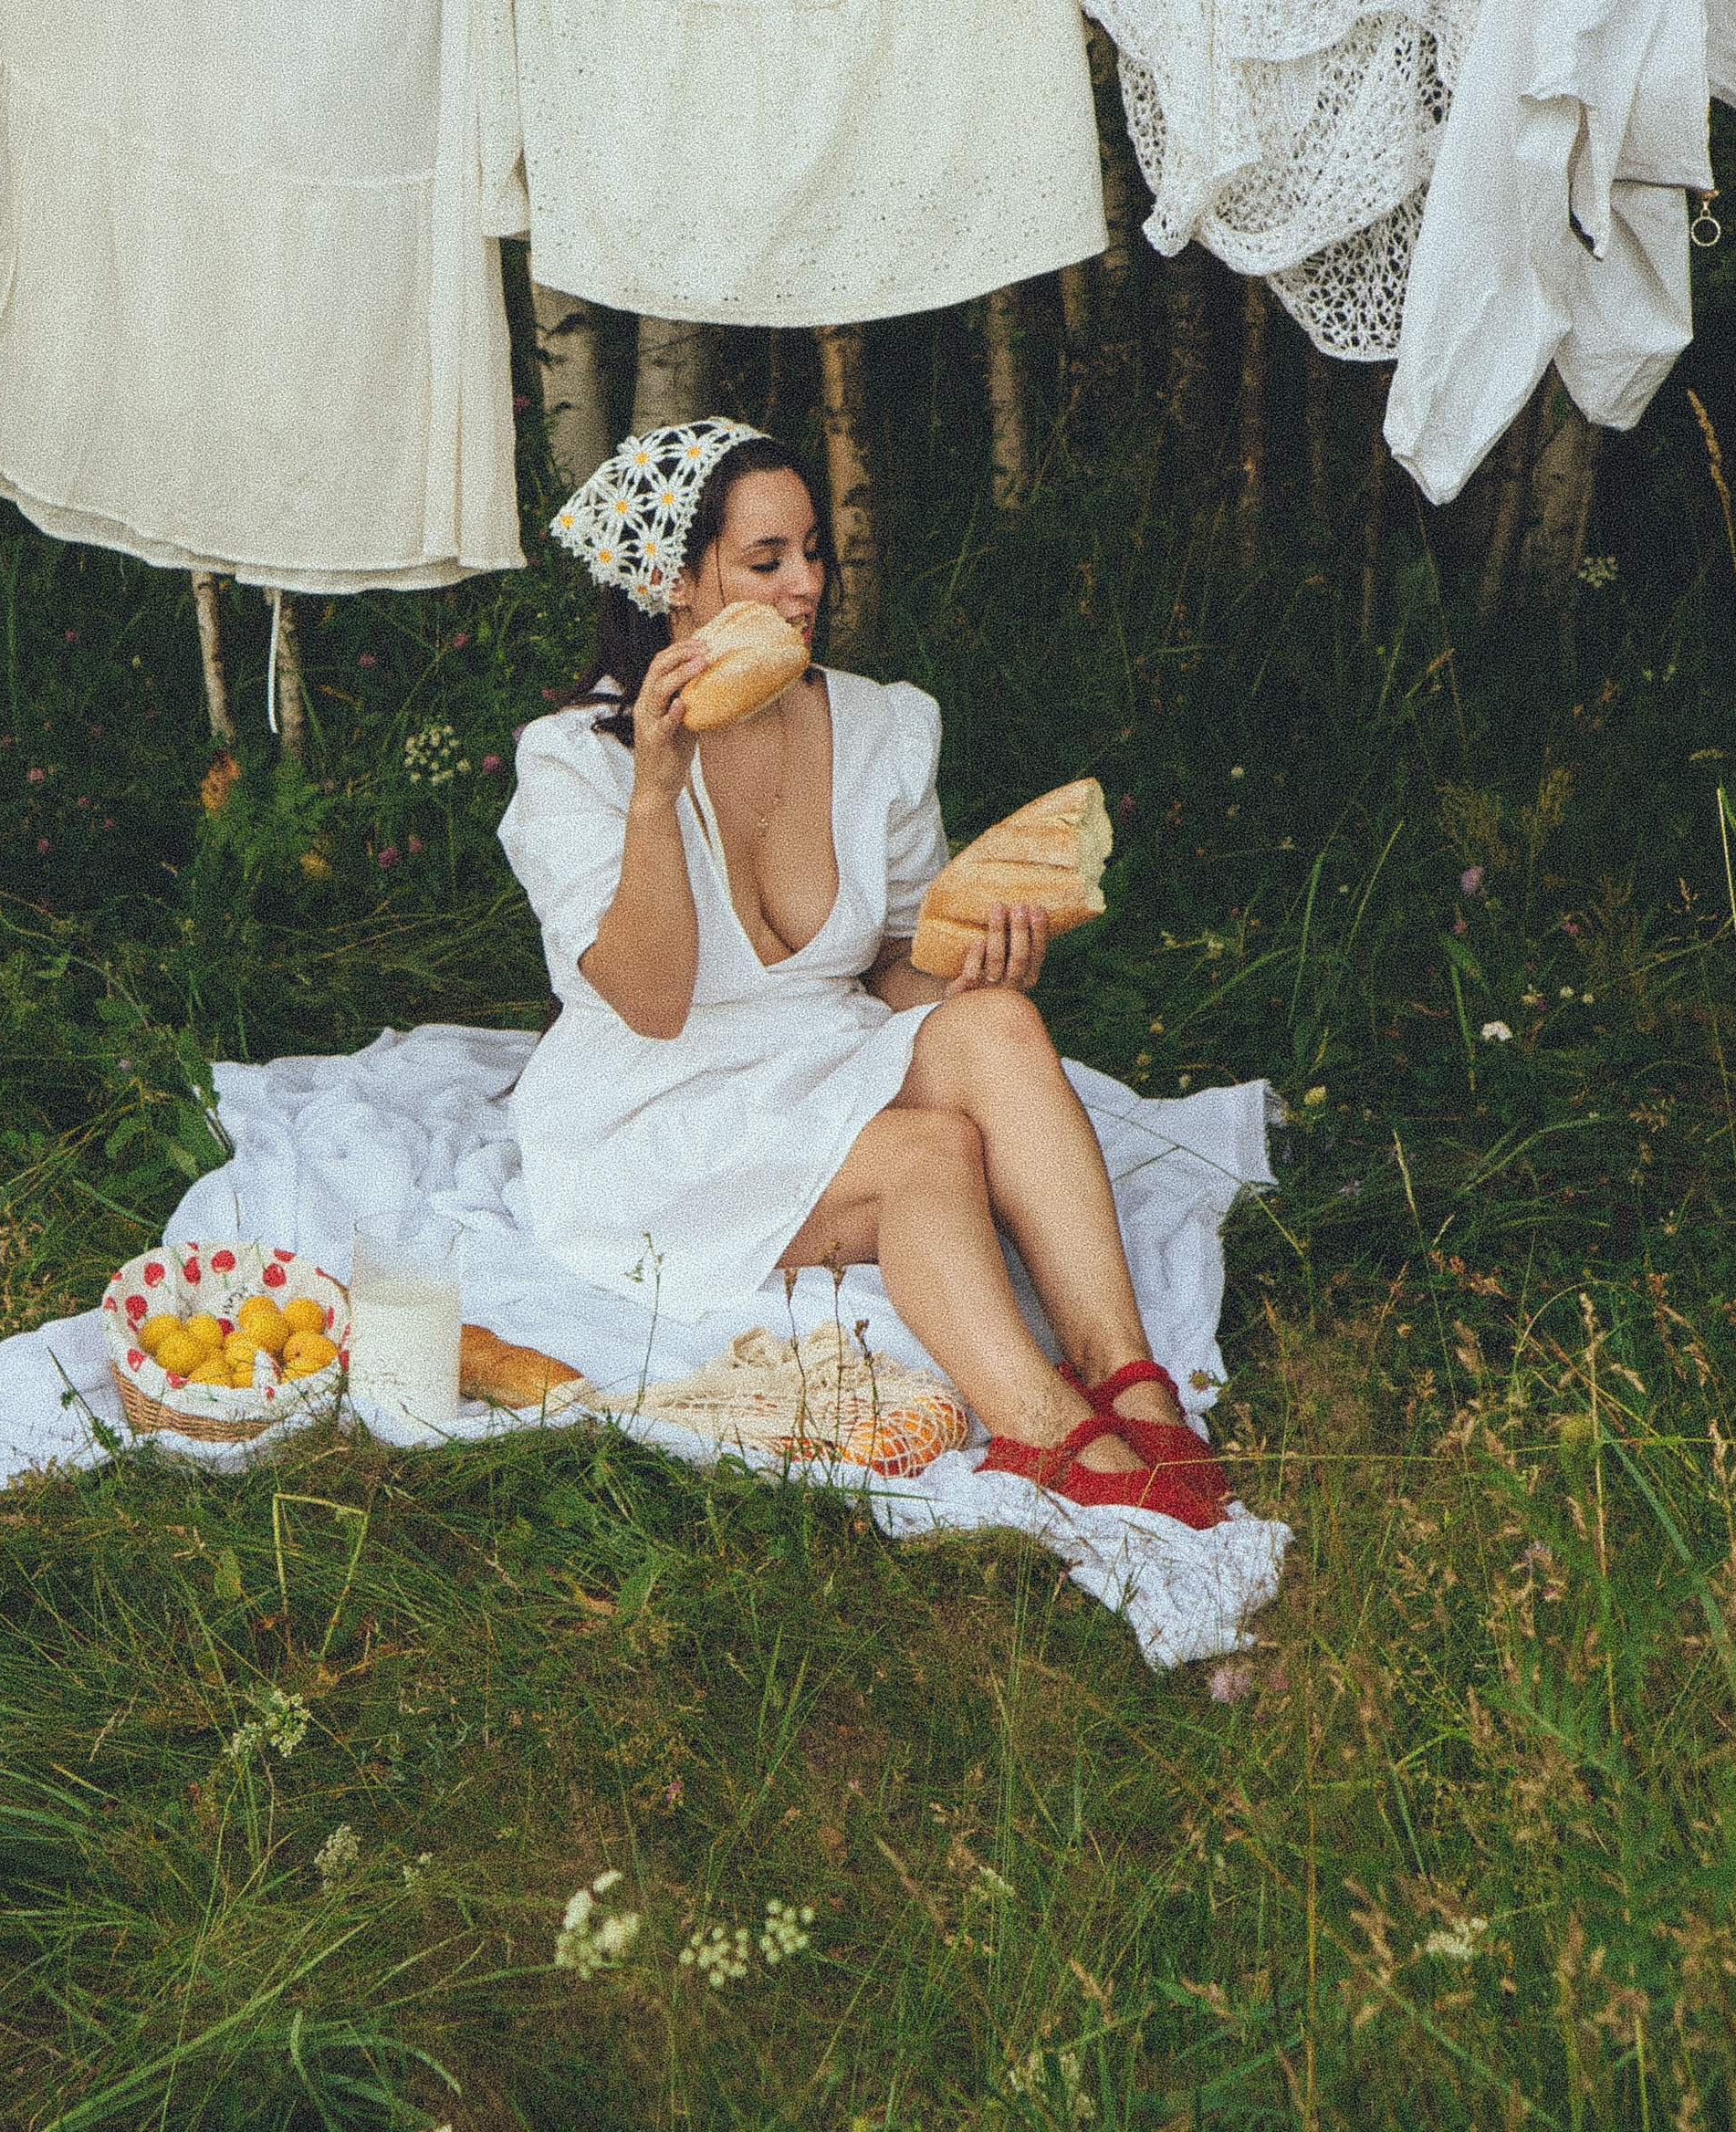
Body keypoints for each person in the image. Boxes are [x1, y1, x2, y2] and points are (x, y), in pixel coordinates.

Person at [498, 417, 1229, 1521]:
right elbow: (647, 1004)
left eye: (812, 553)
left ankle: (1129, 1380)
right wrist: (656, 790)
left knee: (998, 1028)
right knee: (930, 1155)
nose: (805, 587)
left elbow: (886, 974)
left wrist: (967, 970)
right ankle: (1048, 1435)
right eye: (765, 561)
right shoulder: (575, 762)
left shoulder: (881, 725)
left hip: (819, 1056)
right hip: (656, 1110)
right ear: (674, 584)